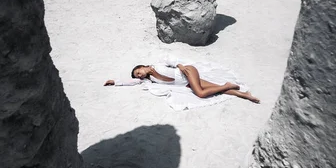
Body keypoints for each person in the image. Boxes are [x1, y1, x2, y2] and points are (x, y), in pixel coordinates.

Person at [104, 60, 260, 104]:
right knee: (217, 89)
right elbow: (132, 82)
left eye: (139, 72)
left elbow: (174, 61)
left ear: (143, 66)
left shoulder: (158, 64)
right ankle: (245, 94)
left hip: (188, 72)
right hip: (186, 82)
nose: (140, 76)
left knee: (200, 94)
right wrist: (115, 82)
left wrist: (181, 66)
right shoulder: (150, 80)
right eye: (138, 76)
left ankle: (227, 85)